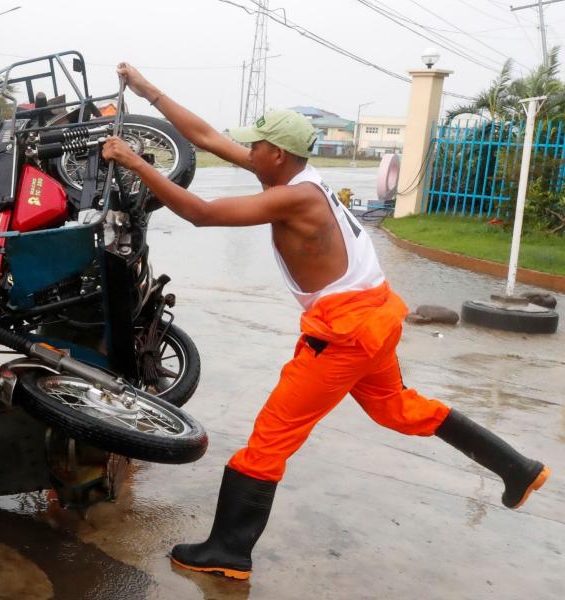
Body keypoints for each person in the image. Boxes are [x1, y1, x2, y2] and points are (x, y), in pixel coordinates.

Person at [101, 63, 551, 581]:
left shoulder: (295, 196)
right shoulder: (293, 176)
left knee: (270, 437)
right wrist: (148, 90)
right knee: (398, 410)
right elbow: (203, 136)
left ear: (277, 153)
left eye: (256, 145)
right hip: (375, 315)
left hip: (345, 332)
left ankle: (228, 551)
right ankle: (519, 469)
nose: (247, 151)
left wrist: (135, 161)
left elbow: (202, 214)